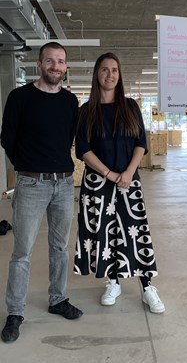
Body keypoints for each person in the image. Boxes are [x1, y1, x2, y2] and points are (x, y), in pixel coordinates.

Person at [0, 42, 83, 343]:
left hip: (63, 183)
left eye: (60, 61)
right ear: (39, 64)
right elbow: (7, 138)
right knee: (22, 252)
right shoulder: (20, 97)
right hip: (31, 184)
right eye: (50, 60)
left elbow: (70, 138)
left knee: (60, 248)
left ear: (65, 67)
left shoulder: (70, 101)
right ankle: (15, 312)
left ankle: (57, 299)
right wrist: (27, 165)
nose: (55, 66)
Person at [73, 52, 165, 314]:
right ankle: (113, 282)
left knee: (136, 233)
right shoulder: (86, 111)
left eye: (114, 70)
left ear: (120, 75)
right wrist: (110, 174)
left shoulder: (131, 106)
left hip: (128, 182)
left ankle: (147, 287)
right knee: (106, 234)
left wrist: (128, 172)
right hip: (98, 184)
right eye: (104, 69)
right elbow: (83, 149)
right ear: (96, 74)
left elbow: (140, 142)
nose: (110, 74)